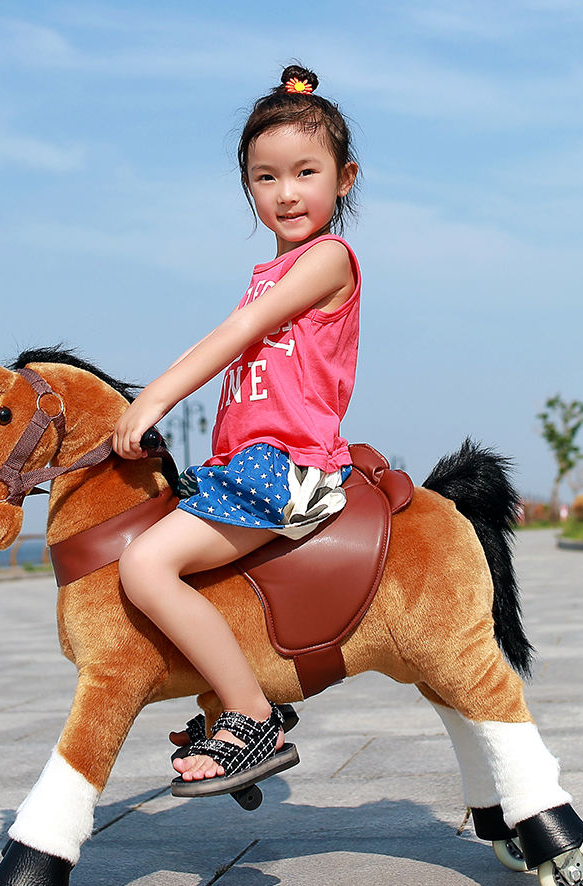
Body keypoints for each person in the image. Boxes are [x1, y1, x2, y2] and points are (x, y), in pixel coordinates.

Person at [112, 64, 361, 792]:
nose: (286, 193)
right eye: (265, 178)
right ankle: (230, 691)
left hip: (286, 465)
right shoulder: (270, 271)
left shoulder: (328, 260)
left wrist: (156, 397)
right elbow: (225, 334)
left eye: (305, 172)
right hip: (245, 462)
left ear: (343, 179)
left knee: (146, 566)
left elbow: (239, 329)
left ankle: (251, 715)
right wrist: (142, 400)